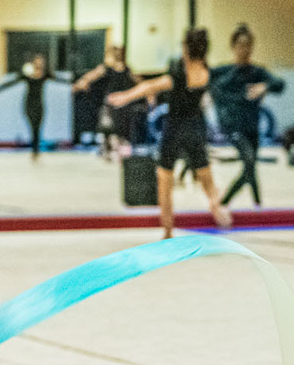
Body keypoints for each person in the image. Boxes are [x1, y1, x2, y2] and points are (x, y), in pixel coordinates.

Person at [108, 27, 232, 237]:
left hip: (174, 128)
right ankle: (215, 204)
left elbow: (152, 86)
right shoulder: (206, 73)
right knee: (206, 177)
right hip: (195, 128)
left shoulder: (179, 74)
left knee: (165, 179)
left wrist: (125, 96)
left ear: (185, 49)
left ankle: (167, 231)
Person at [212, 25, 285, 209]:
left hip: (252, 126)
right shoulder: (224, 72)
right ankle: (224, 202)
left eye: (248, 45)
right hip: (233, 127)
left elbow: (279, 84)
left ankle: (257, 204)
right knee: (249, 161)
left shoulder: (257, 72)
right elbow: (204, 79)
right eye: (240, 45)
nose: (244, 49)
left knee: (250, 167)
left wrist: (265, 87)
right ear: (233, 46)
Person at [0, 52, 64, 159]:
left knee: (38, 128)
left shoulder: (45, 75)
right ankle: (34, 150)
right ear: (33, 63)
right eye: (37, 62)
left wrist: (75, 82)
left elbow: (59, 80)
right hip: (28, 105)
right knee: (32, 127)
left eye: (41, 62)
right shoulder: (27, 75)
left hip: (39, 104)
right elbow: (12, 82)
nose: (39, 64)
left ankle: (36, 151)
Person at [71, 45, 136, 161]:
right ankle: (107, 150)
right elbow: (91, 76)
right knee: (107, 126)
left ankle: (120, 151)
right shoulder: (106, 68)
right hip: (110, 101)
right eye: (116, 52)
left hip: (124, 102)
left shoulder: (127, 69)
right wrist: (80, 84)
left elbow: (138, 80)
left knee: (122, 127)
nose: (118, 55)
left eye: (120, 52)